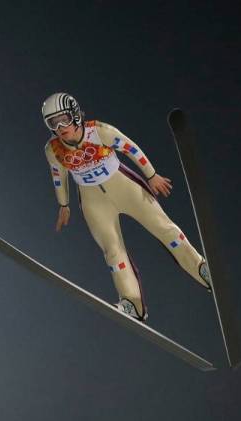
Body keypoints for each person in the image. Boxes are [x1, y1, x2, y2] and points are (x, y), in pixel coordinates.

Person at [42, 92, 211, 321]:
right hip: (94, 202)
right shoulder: (53, 150)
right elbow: (57, 176)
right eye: (53, 122)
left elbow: (131, 148)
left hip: (125, 187)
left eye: (64, 119)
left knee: (164, 228)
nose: (61, 126)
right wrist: (64, 204)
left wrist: (151, 175)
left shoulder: (100, 131)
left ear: (75, 115)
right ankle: (132, 302)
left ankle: (201, 270)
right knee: (112, 251)